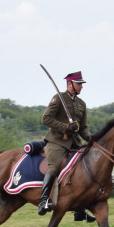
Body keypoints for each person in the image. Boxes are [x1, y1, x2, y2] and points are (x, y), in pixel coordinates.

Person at [38, 71, 91, 217]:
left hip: (74, 143)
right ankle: (43, 201)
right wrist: (66, 127)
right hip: (57, 142)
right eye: (79, 84)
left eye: (81, 84)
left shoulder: (82, 104)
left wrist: (90, 138)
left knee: (84, 170)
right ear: (70, 84)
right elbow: (46, 119)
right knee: (54, 167)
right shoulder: (58, 99)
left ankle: (79, 209)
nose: (81, 87)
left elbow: (84, 128)